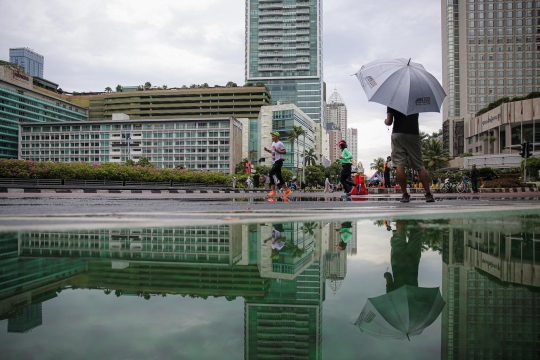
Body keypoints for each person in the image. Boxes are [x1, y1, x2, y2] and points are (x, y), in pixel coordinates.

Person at [385, 107, 435, 203]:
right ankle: (428, 194)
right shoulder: (415, 97)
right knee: (420, 165)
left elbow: (389, 121)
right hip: (413, 133)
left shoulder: (393, 99)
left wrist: (386, 122)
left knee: (399, 164)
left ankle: (405, 194)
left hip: (398, 134)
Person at [384, 220, 423, 293]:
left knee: (418, 233)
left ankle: (422, 214)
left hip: (412, 264)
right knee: (399, 234)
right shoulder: (393, 298)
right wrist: (385, 275)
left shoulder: (415, 298)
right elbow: (388, 277)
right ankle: (401, 214)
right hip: (397, 262)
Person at [264, 131, 292, 197]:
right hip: (275, 162)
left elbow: (284, 151)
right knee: (279, 177)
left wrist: (277, 150)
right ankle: (287, 190)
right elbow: (273, 152)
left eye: (273, 136)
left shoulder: (280, 143)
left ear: (277, 137)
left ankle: (273, 191)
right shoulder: (273, 143)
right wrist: (267, 150)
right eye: (272, 136)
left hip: (279, 162)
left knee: (270, 174)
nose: (272, 137)